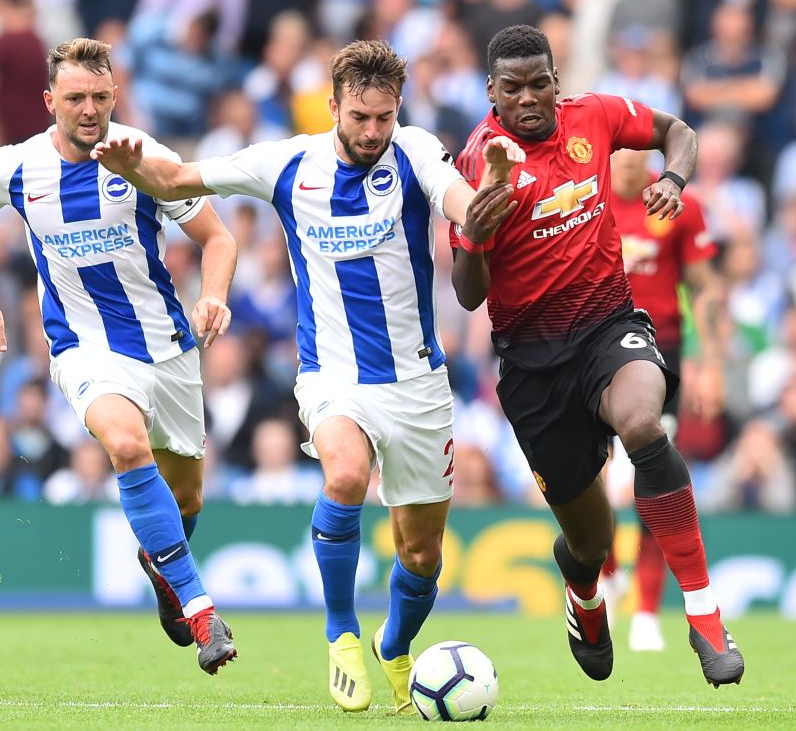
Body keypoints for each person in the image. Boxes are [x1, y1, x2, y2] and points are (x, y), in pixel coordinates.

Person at [92, 39, 522, 714]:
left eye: (383, 117)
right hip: (332, 376)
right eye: (360, 118)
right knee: (345, 475)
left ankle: (394, 643)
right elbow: (178, 181)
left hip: (416, 383)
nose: (373, 132)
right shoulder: (288, 162)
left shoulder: (414, 150)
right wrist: (133, 166)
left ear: (397, 110)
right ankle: (341, 631)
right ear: (333, 107)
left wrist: (491, 188)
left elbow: (461, 203)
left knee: (421, 553)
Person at [449, 24, 745, 688]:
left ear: (557, 80)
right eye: (512, 87)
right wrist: (476, 233)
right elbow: (468, 295)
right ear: (491, 92)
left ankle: (704, 612)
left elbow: (681, 132)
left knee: (644, 423)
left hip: (610, 326)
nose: (529, 98)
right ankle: (584, 594)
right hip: (533, 368)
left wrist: (674, 175)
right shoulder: (476, 163)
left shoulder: (598, 116)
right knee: (591, 541)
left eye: (539, 82)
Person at [0, 38, 238, 675]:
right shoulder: (16, 166)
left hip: (166, 347)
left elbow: (217, 239)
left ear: (117, 95)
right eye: (77, 97)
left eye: (101, 97)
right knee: (127, 446)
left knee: (187, 497)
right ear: (49, 99)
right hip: (83, 348)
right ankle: (201, 611)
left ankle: (162, 568)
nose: (90, 110)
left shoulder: (146, 159)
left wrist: (213, 295)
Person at [602, 147, 725, 652]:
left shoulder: (676, 204)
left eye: (637, 155)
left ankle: (647, 611)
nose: (628, 165)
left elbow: (705, 287)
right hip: (591, 347)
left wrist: (710, 362)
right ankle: (607, 578)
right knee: (594, 488)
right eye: (619, 155)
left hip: (659, 355)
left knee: (652, 483)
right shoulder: (582, 199)